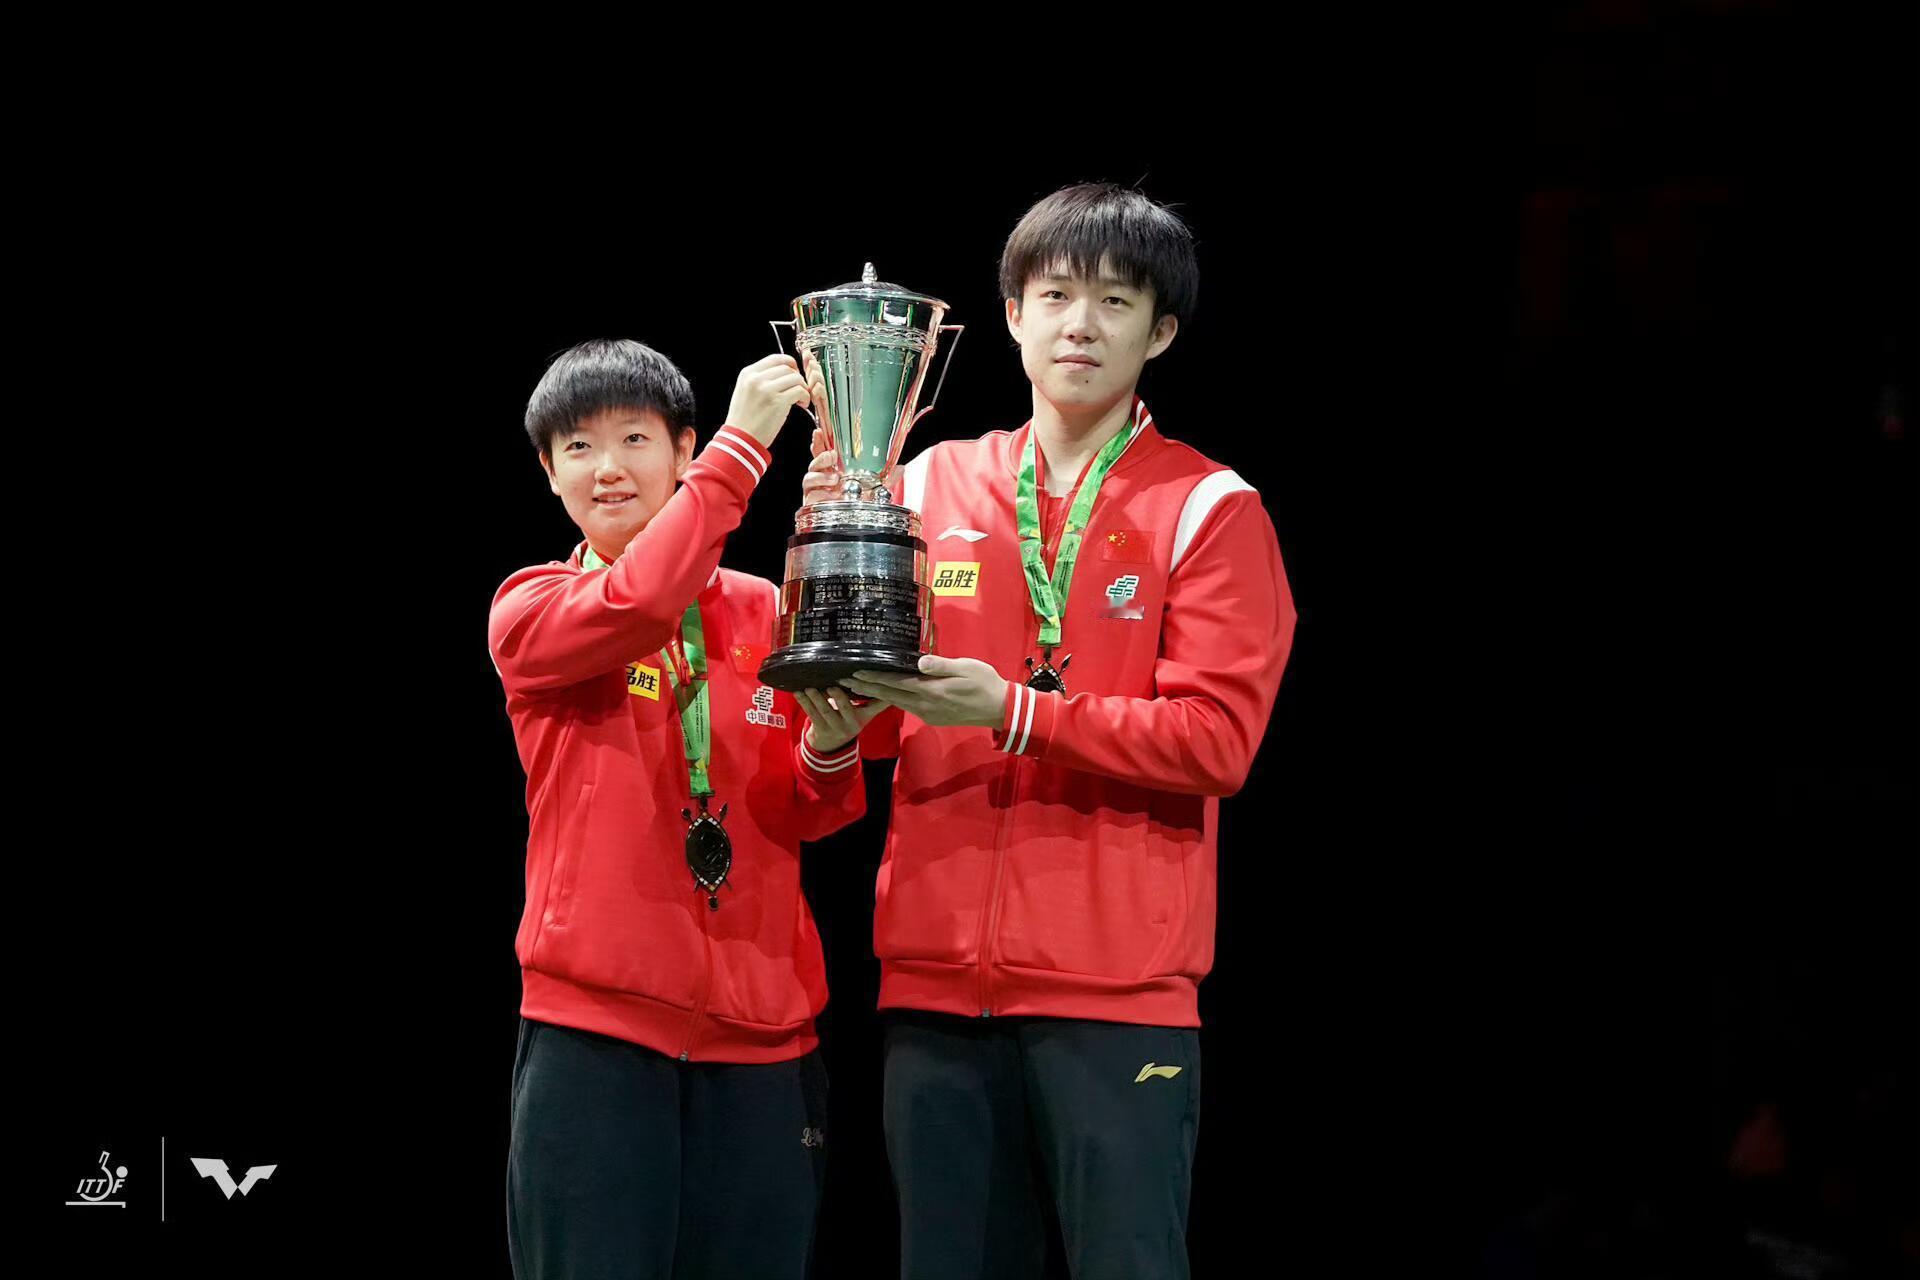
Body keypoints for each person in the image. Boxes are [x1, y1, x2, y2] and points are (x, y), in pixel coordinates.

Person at [806, 183, 1297, 1279]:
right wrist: (836, 724)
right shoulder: (922, 482)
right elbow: (877, 734)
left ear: (1160, 332)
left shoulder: (1211, 507)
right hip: (932, 989)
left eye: (1115, 301)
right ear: (1012, 315)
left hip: (1117, 998)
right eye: (1057, 295)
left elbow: (1218, 740)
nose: (1081, 324)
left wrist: (1017, 713)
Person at [490, 338, 885, 1279]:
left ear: (680, 450)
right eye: (579, 448)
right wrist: (743, 452)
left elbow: (810, 810)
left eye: (635, 438)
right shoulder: (531, 608)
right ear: (548, 474)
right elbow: (641, 602)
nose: (609, 467)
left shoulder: (764, 610)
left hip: (765, 1041)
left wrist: (831, 746)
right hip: (598, 1038)